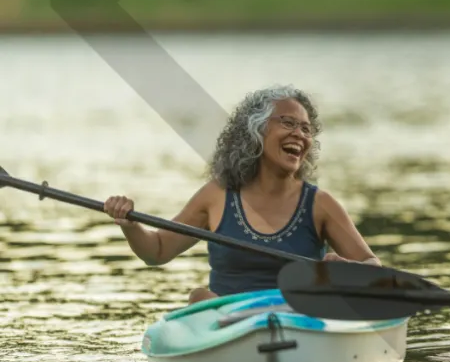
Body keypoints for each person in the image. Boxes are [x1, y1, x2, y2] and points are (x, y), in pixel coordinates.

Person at [103, 84, 380, 304]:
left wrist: (346, 269)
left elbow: (373, 267)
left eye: (306, 129)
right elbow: (158, 251)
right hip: (230, 326)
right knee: (200, 298)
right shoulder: (216, 196)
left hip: (302, 319)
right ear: (255, 131)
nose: (300, 134)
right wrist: (131, 225)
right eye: (288, 123)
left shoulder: (321, 204)